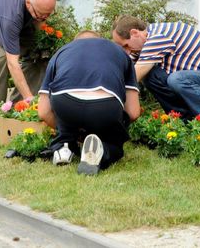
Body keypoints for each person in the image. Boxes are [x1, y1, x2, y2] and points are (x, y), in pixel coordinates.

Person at [37, 31, 140, 175]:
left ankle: (64, 146)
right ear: (101, 41)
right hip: (105, 106)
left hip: (65, 102)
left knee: (65, 114)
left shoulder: (60, 52)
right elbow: (133, 112)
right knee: (114, 140)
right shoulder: (118, 51)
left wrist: (70, 130)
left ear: (75, 43)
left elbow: (43, 111)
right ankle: (102, 150)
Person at [111, 15, 200, 119]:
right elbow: (125, 70)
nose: (126, 51)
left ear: (134, 33)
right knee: (151, 76)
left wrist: (107, 98)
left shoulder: (158, 37)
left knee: (176, 78)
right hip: (197, 86)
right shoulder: (141, 43)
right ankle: (184, 121)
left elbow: (133, 77)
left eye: (125, 45)